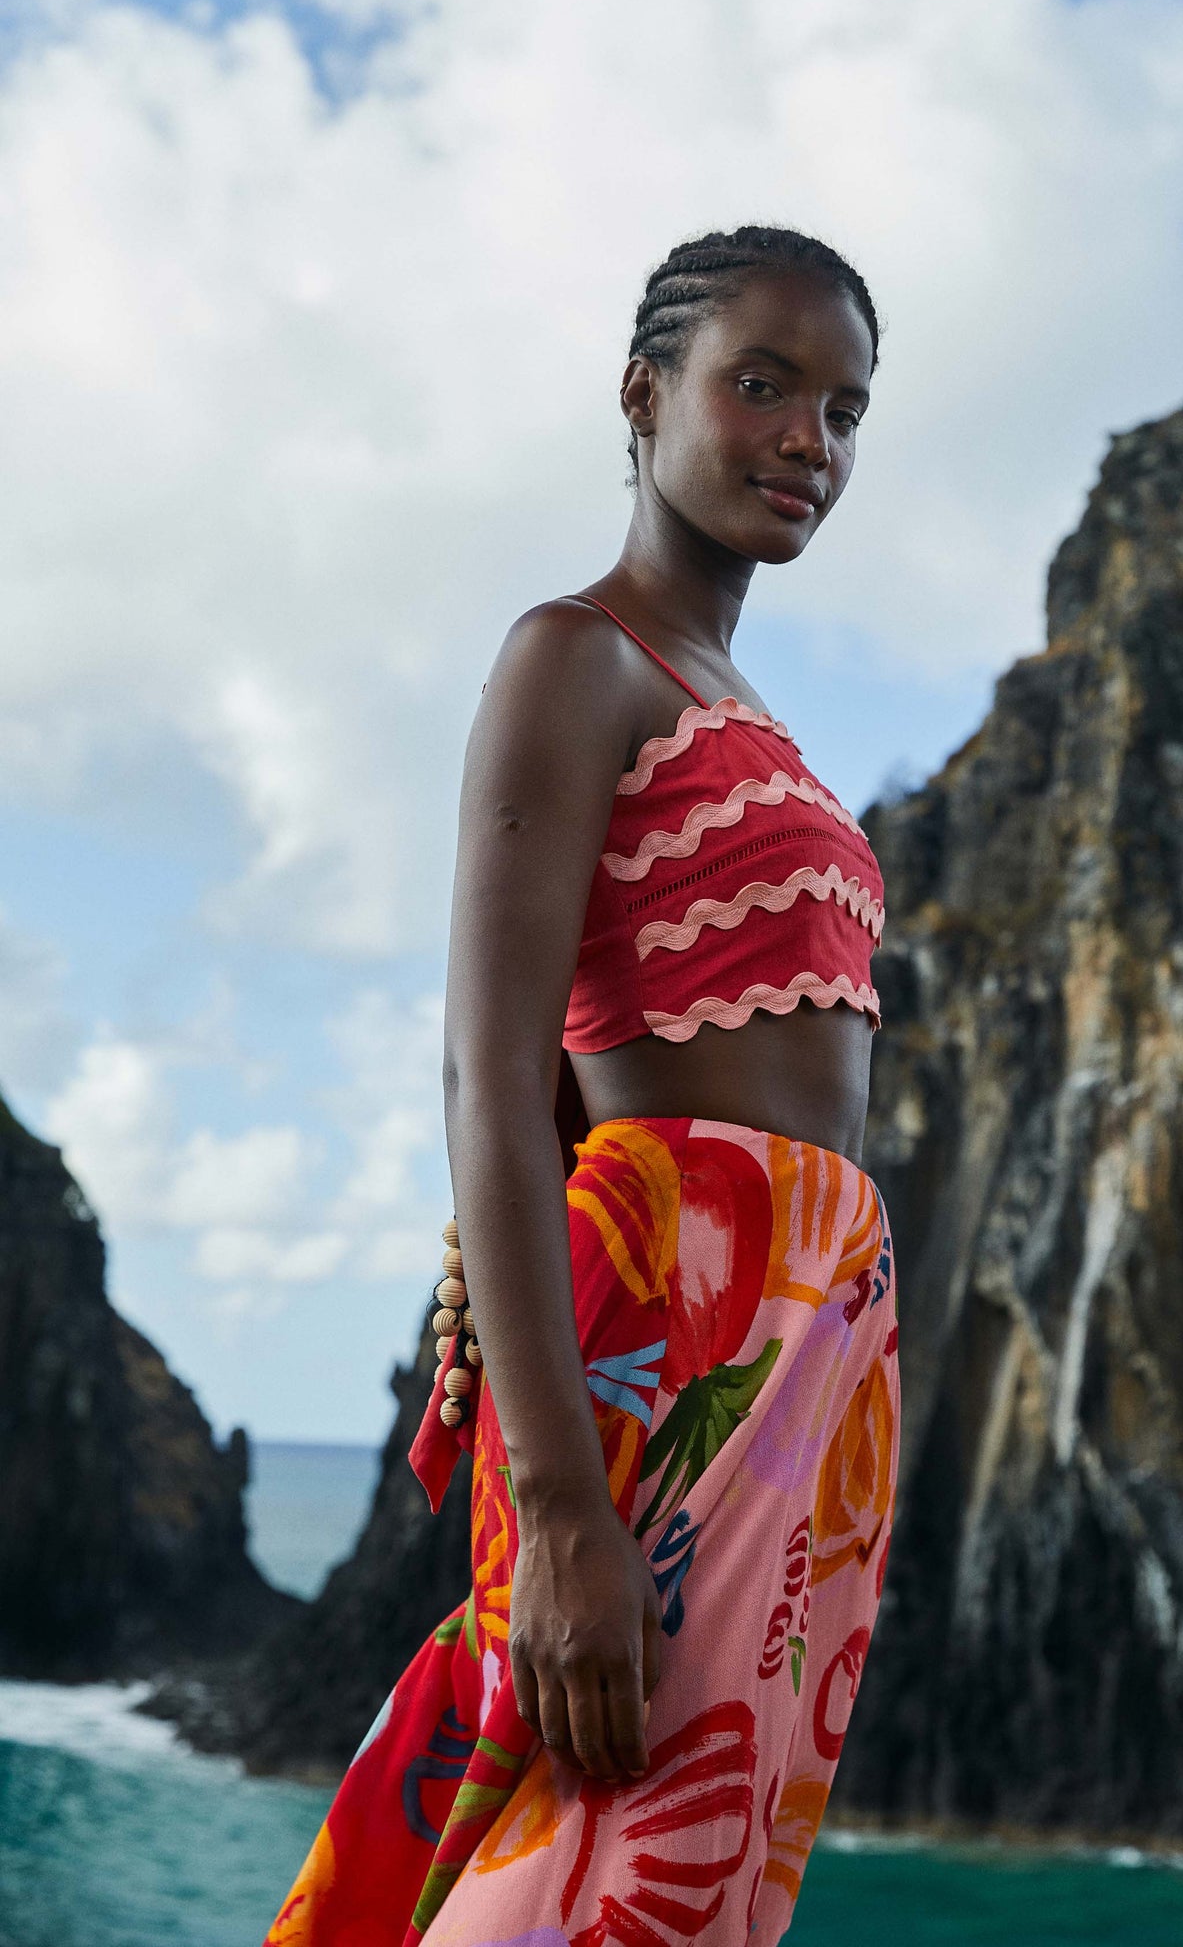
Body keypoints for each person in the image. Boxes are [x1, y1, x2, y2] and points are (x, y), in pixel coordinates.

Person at [267, 226, 899, 1947]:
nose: (805, 441)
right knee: (579, 1840)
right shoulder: (575, 657)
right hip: (663, 1340)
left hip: (803, 1346)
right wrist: (554, 1504)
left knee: (691, 1861)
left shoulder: (746, 701)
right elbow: (490, 1073)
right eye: (758, 384)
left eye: (840, 408)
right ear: (644, 395)